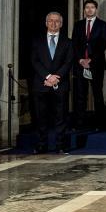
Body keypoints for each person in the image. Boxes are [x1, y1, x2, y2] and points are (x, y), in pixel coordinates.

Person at [30, 12, 73, 153]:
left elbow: (68, 62)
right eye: (50, 21)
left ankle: (60, 145)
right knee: (41, 117)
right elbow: (34, 61)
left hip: (60, 84)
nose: (53, 23)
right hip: (41, 84)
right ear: (46, 23)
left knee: (61, 117)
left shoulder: (68, 42)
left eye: (56, 21)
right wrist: (48, 77)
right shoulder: (37, 41)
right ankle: (42, 145)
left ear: (61, 24)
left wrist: (56, 77)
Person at [71, 0, 106, 130]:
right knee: (80, 95)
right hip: (80, 64)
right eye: (87, 7)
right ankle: (79, 124)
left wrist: (90, 59)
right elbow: (74, 44)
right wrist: (81, 60)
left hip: (96, 64)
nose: (89, 9)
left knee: (97, 94)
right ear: (84, 10)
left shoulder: (103, 25)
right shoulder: (78, 25)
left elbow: (103, 44)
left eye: (92, 7)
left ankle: (100, 124)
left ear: (96, 9)